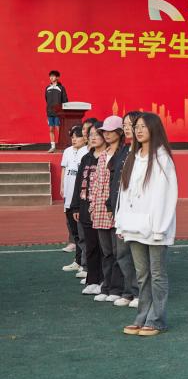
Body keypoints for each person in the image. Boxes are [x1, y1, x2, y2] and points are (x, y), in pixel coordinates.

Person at [116, 112, 178, 337]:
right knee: (142, 275)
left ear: (154, 129)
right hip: (134, 227)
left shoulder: (162, 159)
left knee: (157, 274)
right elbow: (124, 193)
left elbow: (166, 196)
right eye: (136, 127)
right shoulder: (132, 158)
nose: (138, 130)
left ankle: (157, 319)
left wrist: (159, 226)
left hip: (155, 228)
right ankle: (142, 317)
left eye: (143, 126)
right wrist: (121, 222)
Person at [90, 116, 126, 304]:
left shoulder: (123, 154)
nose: (107, 134)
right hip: (100, 210)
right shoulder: (103, 155)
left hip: (115, 209)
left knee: (118, 252)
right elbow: (96, 183)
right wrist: (92, 205)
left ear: (120, 132)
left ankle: (117, 288)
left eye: (111, 131)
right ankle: (106, 286)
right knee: (106, 252)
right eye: (104, 131)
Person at [106, 115, 138, 307]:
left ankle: (138, 293)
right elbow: (114, 179)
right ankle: (128, 291)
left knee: (136, 255)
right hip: (120, 209)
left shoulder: (142, 152)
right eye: (124, 125)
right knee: (122, 253)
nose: (127, 128)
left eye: (130, 125)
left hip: (135, 211)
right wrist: (110, 204)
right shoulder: (124, 150)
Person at [71, 125, 106, 295]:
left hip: (102, 209)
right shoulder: (86, 158)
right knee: (91, 246)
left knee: (105, 248)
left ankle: (105, 280)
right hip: (86, 208)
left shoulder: (108, 157)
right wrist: (76, 206)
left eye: (97, 134)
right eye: (91, 134)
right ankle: (92, 280)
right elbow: (79, 182)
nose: (93, 137)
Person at [59, 126, 89, 267]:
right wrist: (62, 186)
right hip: (69, 197)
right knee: (75, 232)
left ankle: (84, 263)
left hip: (80, 198)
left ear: (85, 138)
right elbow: (64, 169)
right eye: (72, 137)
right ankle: (78, 261)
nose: (74, 139)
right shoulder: (67, 151)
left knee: (83, 233)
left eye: (77, 136)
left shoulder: (87, 152)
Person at [45, 70, 69, 153]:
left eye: (53, 76)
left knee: (59, 129)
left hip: (58, 113)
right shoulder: (47, 88)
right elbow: (46, 99)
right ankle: (53, 147)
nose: (51, 78)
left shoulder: (61, 88)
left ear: (57, 77)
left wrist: (63, 112)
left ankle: (62, 145)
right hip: (50, 112)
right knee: (51, 129)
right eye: (50, 76)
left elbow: (65, 100)